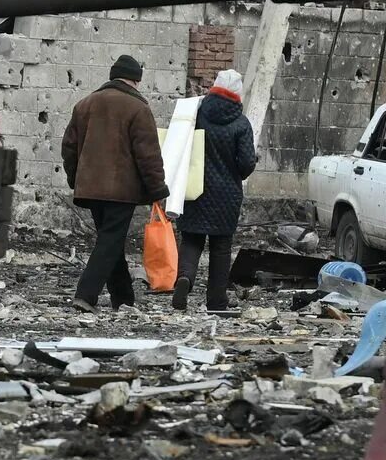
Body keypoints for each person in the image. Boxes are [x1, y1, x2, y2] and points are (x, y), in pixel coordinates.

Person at [60, 54, 168, 312]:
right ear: (136, 80)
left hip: (91, 188)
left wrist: (76, 178)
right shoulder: (138, 109)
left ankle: (123, 298)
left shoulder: (84, 105)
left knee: (111, 241)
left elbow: (69, 148)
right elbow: (148, 156)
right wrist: (158, 190)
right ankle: (85, 295)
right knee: (109, 241)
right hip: (122, 190)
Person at [173, 69, 257, 312]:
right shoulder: (241, 123)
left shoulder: (196, 114)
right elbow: (247, 163)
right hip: (227, 195)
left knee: (191, 239)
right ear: (238, 94)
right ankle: (217, 302)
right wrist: (236, 175)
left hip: (195, 188)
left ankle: (185, 278)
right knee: (221, 248)